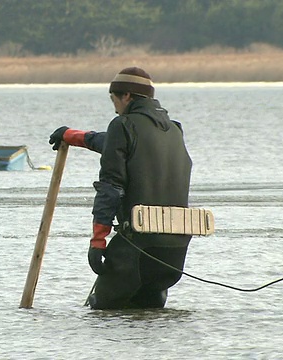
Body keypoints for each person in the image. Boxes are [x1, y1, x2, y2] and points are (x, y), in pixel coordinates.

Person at [48, 67, 192, 310]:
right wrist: (73, 136)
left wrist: (97, 242)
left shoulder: (122, 124)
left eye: (113, 98)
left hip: (135, 250)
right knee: (151, 320)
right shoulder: (174, 130)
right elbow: (122, 145)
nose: (114, 106)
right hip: (173, 255)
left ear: (126, 96)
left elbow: (111, 188)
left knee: (101, 318)